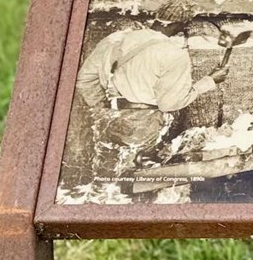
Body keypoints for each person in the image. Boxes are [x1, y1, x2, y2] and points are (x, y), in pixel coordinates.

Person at [75, 18, 232, 175]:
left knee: (109, 174)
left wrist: (104, 106)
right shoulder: (173, 53)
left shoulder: (113, 40)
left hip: (107, 118)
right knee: (141, 175)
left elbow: (84, 80)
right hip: (143, 124)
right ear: (181, 28)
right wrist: (210, 81)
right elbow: (170, 103)